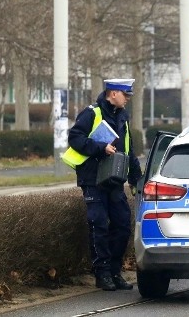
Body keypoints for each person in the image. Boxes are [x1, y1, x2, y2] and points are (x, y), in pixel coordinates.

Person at [64, 78, 143, 291]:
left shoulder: (123, 117)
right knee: (98, 225)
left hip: (114, 179)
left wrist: (136, 179)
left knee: (122, 225)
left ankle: (115, 272)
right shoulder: (92, 113)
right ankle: (102, 273)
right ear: (113, 93)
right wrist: (100, 147)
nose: (127, 99)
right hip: (93, 179)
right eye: (125, 95)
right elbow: (74, 138)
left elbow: (129, 151)